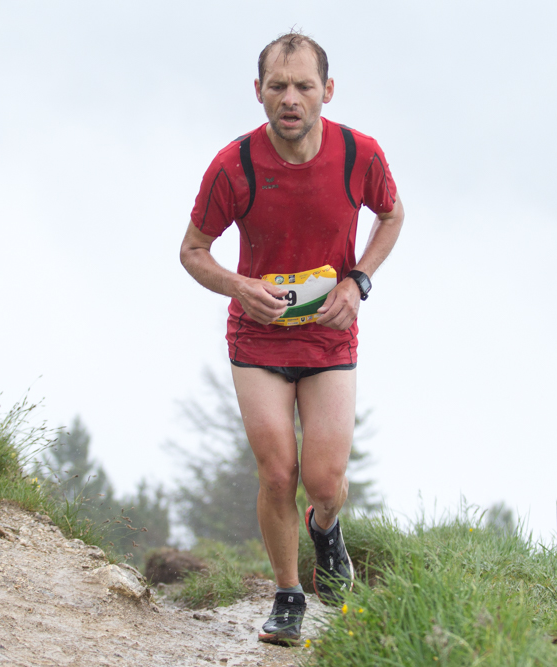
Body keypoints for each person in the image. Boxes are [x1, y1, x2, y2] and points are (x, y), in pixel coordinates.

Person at [179, 31, 404, 646]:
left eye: (304, 86)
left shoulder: (359, 155)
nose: (290, 98)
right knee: (278, 472)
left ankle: (324, 529)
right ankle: (287, 595)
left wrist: (358, 280)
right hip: (259, 340)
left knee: (325, 483)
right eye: (277, 86)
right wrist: (238, 286)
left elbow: (392, 214)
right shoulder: (235, 166)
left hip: (329, 338)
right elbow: (192, 251)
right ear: (258, 91)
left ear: (328, 90)